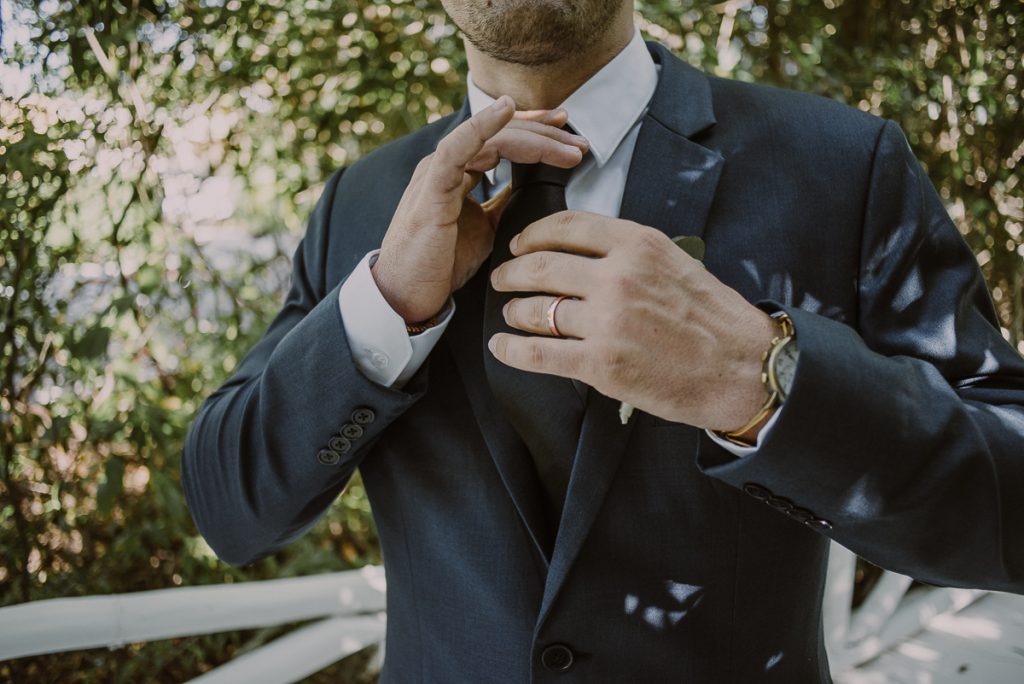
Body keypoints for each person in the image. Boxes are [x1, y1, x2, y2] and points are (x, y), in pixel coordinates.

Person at [181, 1, 1024, 681]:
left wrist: (761, 378)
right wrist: (383, 305)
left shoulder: (843, 164)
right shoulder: (361, 203)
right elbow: (229, 511)